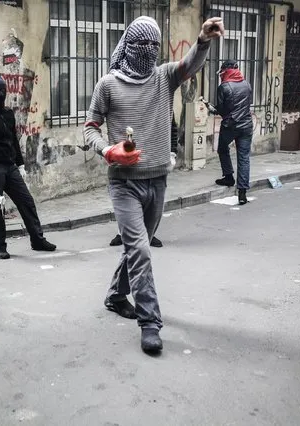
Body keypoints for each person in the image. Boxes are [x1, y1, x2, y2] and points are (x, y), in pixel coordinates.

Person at [83, 16, 223, 353]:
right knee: (141, 249)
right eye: (141, 44)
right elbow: (89, 128)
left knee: (136, 247)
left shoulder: (163, 77)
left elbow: (190, 64)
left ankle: (117, 295)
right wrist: (107, 150)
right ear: (128, 45)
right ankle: (150, 322)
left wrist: (202, 40)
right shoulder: (108, 85)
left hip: (158, 180)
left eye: (153, 45)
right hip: (124, 184)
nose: (147, 51)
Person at [0, 73, 57, 259]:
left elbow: (13, 140)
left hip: (10, 167)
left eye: (2, 90)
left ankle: (37, 239)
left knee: (26, 201)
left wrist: (20, 164)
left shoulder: (8, 114)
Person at [108, 114, 179, 248]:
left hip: (154, 166)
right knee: (128, 206)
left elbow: (172, 129)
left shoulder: (161, 103)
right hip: (127, 166)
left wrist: (172, 153)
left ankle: (148, 234)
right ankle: (123, 233)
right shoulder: (126, 105)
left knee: (150, 206)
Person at [213, 60, 253, 205]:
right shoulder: (247, 84)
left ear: (225, 71)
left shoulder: (223, 87)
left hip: (230, 125)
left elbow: (223, 110)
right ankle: (242, 194)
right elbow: (247, 104)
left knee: (222, 149)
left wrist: (213, 109)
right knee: (244, 157)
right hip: (247, 125)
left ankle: (229, 177)